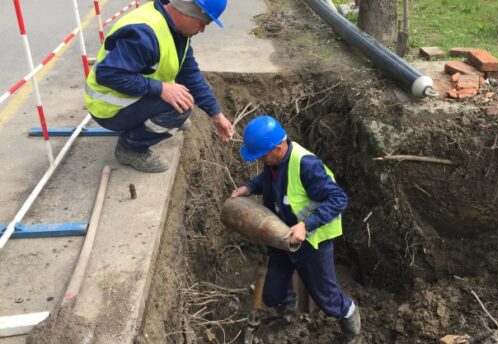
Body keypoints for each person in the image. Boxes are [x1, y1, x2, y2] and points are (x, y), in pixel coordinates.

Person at [231, 116, 361, 342]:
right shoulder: (275, 162)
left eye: (262, 155)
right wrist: (250, 187)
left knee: (327, 299)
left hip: (312, 241)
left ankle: (352, 332)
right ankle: (287, 318)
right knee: (273, 292)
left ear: (279, 148)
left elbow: (338, 198)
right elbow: (268, 179)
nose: (261, 160)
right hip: (282, 235)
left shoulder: (305, 165)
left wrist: (306, 224)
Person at [85, 0, 234, 173]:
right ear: (188, 11)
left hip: (128, 96)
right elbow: (108, 74)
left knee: (180, 99)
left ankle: (151, 121)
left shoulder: (176, 31)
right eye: (203, 23)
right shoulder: (145, 35)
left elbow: (190, 75)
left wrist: (216, 114)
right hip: (108, 108)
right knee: (179, 109)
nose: (202, 30)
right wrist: (160, 89)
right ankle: (130, 149)